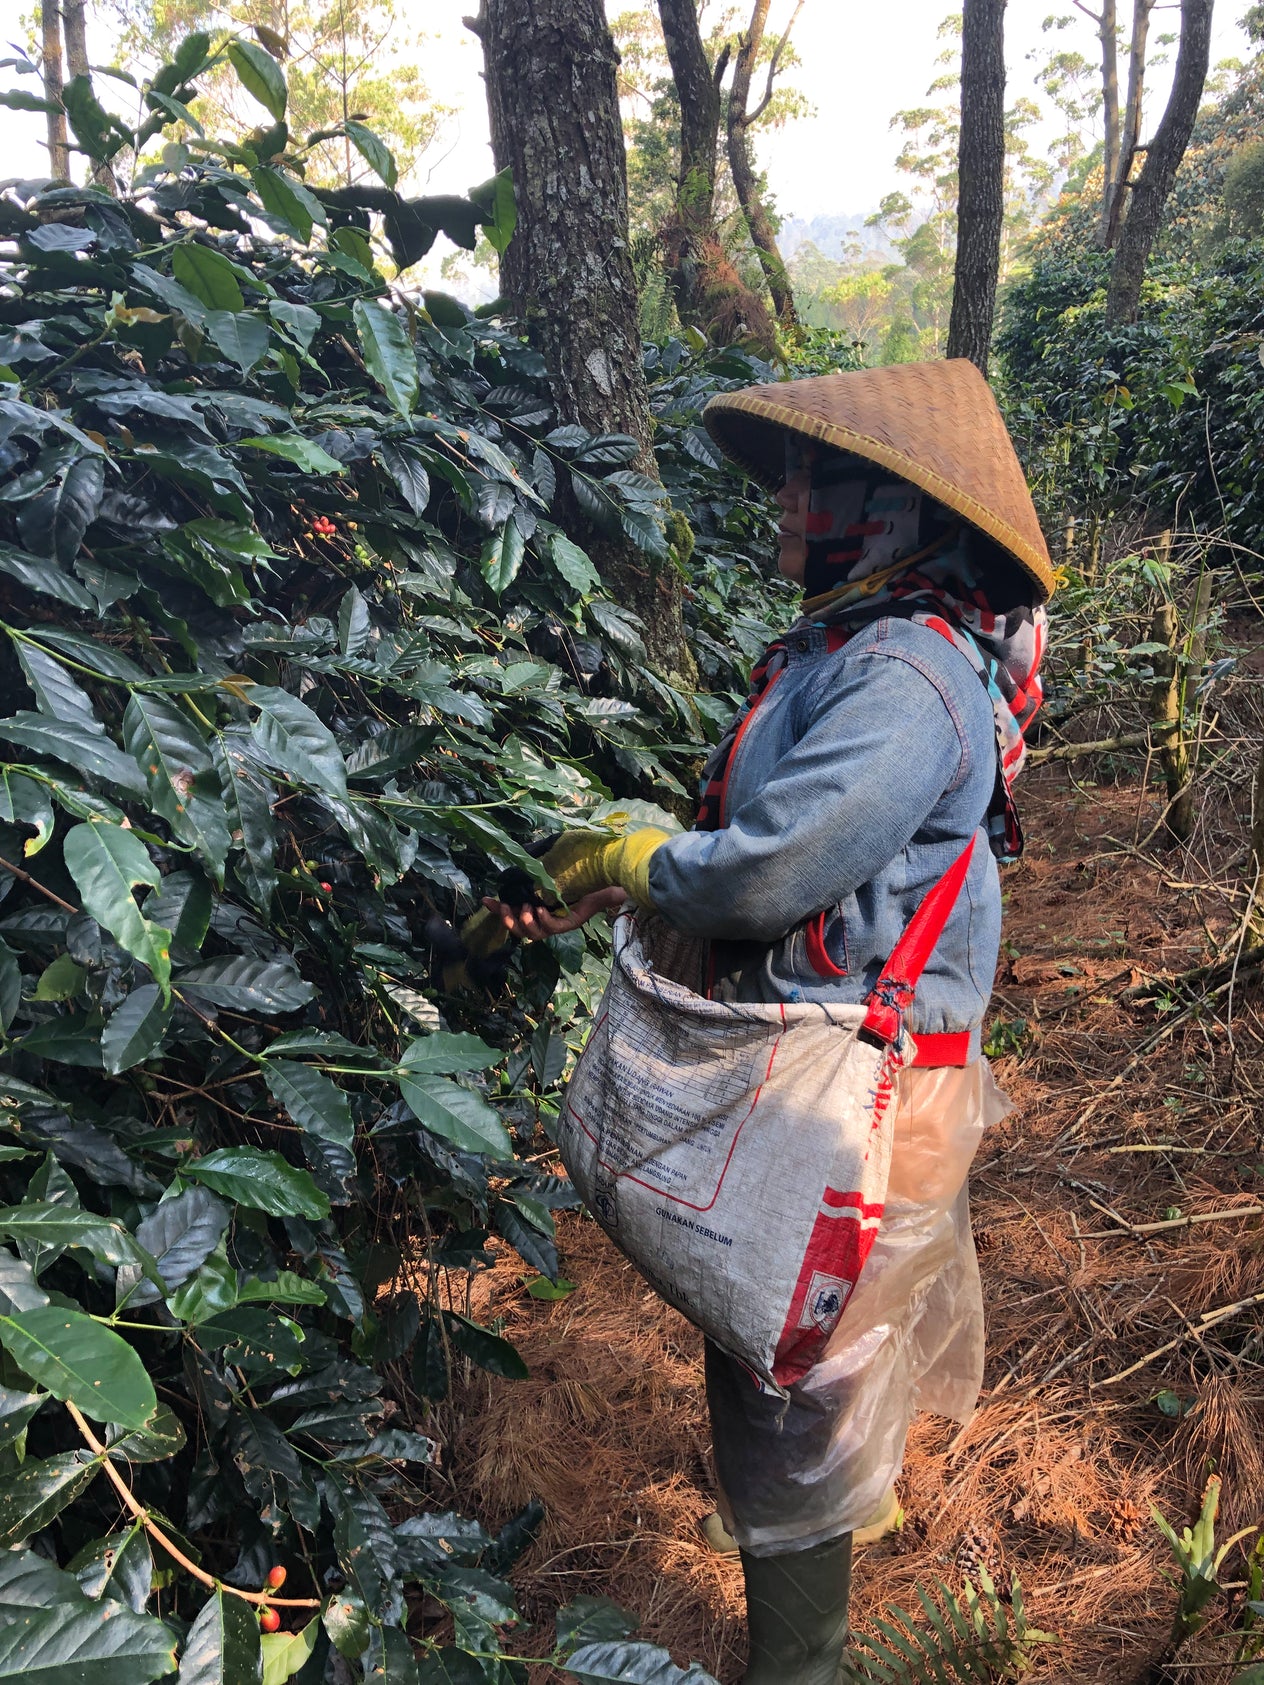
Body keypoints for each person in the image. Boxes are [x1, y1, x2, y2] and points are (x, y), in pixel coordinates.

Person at [480, 360, 1053, 1684]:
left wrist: (638, 860)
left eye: (813, 480)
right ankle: (824, 1558)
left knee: (796, 1379)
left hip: (861, 1083)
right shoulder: (848, 646)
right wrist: (634, 864)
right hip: (832, 1057)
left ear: (892, 513)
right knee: (794, 1349)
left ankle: (808, 1653)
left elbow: (768, 873)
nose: (787, 501)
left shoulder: (906, 671)